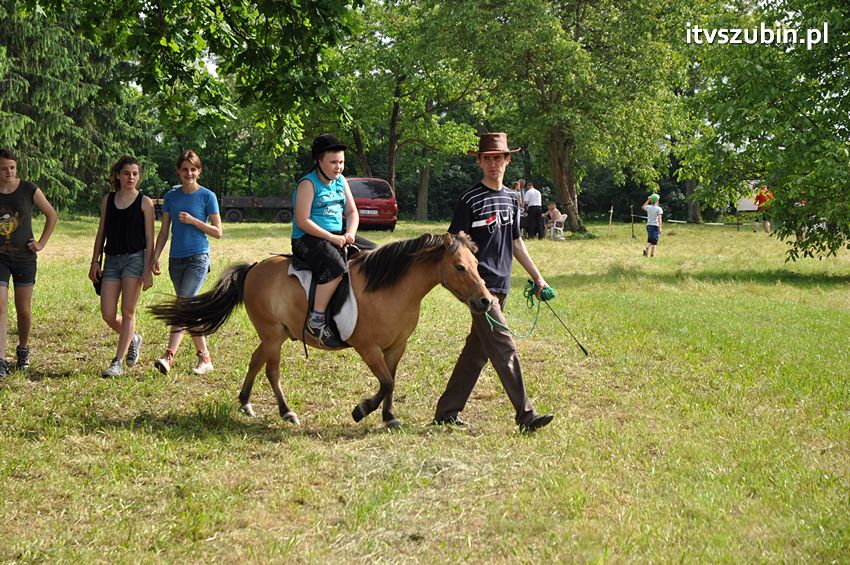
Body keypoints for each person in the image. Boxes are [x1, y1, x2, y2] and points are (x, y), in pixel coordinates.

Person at [432, 132, 554, 433]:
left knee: (476, 352)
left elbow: (516, 242)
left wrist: (537, 276)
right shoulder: (469, 200)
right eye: (487, 158)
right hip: (479, 288)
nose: (492, 163)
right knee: (504, 346)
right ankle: (526, 415)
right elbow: (454, 248)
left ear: (507, 160)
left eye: (498, 158)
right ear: (479, 162)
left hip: (503, 284)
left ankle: (447, 411)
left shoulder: (513, 199)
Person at [151, 150, 222, 375]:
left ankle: (168, 356)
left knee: (182, 305)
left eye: (193, 169)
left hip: (198, 258)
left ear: (199, 171)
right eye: (185, 169)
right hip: (176, 260)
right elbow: (164, 232)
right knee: (189, 308)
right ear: (178, 171)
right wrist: (154, 256)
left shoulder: (207, 196)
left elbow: (218, 231)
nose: (189, 173)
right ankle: (205, 358)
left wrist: (194, 221)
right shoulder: (171, 196)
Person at [291, 134, 359, 348]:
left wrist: (350, 233)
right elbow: (302, 221)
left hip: (337, 235)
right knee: (336, 268)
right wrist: (332, 237)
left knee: (373, 257)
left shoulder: (341, 182)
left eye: (341, 162)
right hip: (307, 239)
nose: (338, 167)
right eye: (333, 162)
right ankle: (317, 321)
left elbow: (352, 211)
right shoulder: (308, 184)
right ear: (318, 161)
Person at [89, 156, 155, 377]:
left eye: (135, 174)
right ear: (118, 175)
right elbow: (101, 232)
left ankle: (117, 362)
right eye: (127, 173)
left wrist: (148, 269)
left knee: (128, 310)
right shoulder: (108, 199)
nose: (131, 178)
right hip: (112, 260)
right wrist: (95, 260)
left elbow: (149, 237)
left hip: (135, 259)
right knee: (107, 313)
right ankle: (133, 338)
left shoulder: (145, 202)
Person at [0, 149, 58, 377]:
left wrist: (41, 243)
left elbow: (51, 215)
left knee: (23, 310)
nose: (9, 172)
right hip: (1, 258)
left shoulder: (28, 189)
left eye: (12, 168)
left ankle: (23, 349)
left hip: (24, 258)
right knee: (1, 306)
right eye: (4, 168)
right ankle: (1, 359)